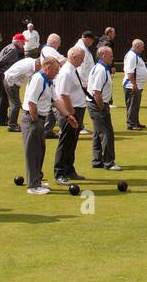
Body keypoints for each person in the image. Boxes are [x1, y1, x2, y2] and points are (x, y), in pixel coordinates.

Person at [22, 56, 72, 194]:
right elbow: (31, 102)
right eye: (56, 69)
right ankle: (32, 186)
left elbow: (55, 100)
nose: (57, 72)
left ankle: (36, 180)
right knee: (33, 153)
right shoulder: (38, 79)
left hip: (40, 119)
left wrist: (68, 116)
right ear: (47, 68)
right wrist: (35, 120)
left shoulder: (48, 81)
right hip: (33, 119)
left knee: (40, 151)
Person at [52, 45, 89, 184]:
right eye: (81, 58)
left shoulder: (72, 70)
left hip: (76, 110)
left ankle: (69, 169)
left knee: (72, 143)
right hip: (70, 111)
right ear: (74, 57)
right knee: (66, 142)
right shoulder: (66, 72)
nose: (82, 61)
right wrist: (70, 113)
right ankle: (59, 173)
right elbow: (63, 95)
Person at [87, 45, 121, 171]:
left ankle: (97, 160)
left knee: (97, 133)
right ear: (102, 56)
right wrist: (101, 107)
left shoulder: (101, 68)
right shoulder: (101, 70)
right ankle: (109, 162)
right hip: (98, 105)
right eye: (110, 55)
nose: (112, 57)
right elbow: (97, 92)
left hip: (95, 104)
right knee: (107, 133)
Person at [0, 33, 26, 127]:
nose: (23, 44)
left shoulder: (13, 48)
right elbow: (3, 60)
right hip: (1, 73)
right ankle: (2, 120)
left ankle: (4, 119)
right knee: (3, 97)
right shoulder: (13, 49)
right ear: (18, 41)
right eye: (23, 42)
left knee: (4, 97)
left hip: (2, 73)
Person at [1, 53, 40, 133]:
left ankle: (12, 123)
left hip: (13, 83)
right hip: (10, 82)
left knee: (15, 104)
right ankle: (11, 125)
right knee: (16, 104)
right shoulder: (27, 66)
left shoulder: (32, 63)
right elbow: (10, 75)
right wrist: (13, 85)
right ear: (38, 65)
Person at [72, 31, 97, 136]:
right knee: (79, 104)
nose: (92, 43)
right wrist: (84, 83)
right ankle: (79, 126)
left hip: (85, 81)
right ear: (87, 39)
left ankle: (79, 125)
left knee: (81, 104)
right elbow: (81, 68)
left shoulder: (84, 47)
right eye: (92, 40)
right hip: (82, 82)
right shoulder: (80, 48)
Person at [122, 39, 147, 130]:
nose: (143, 49)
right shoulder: (132, 56)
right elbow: (130, 72)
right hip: (131, 85)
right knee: (133, 105)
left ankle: (135, 122)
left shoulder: (135, 55)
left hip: (136, 85)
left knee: (135, 105)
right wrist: (134, 84)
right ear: (137, 46)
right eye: (142, 46)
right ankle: (131, 124)